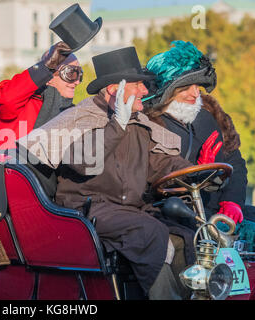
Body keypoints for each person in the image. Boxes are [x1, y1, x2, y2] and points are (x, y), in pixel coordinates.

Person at [17, 47, 222, 299]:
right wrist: (117, 125)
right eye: (139, 85)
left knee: (187, 235)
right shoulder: (78, 118)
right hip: (86, 210)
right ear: (116, 89)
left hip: (130, 209)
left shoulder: (140, 124)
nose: (146, 92)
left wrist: (199, 175)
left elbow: (161, 165)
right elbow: (84, 160)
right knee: (149, 232)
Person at [143, 40, 255, 252]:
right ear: (167, 90)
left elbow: (235, 161)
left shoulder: (208, 116)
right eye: (187, 87)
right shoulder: (147, 126)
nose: (196, 94)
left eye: (198, 86)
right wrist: (202, 175)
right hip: (175, 213)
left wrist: (232, 202)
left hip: (216, 209)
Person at [0, 41, 83, 151]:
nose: (77, 81)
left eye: (80, 74)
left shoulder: (72, 114)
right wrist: (45, 67)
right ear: (49, 76)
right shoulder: (25, 104)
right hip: (11, 166)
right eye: (71, 73)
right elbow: (7, 99)